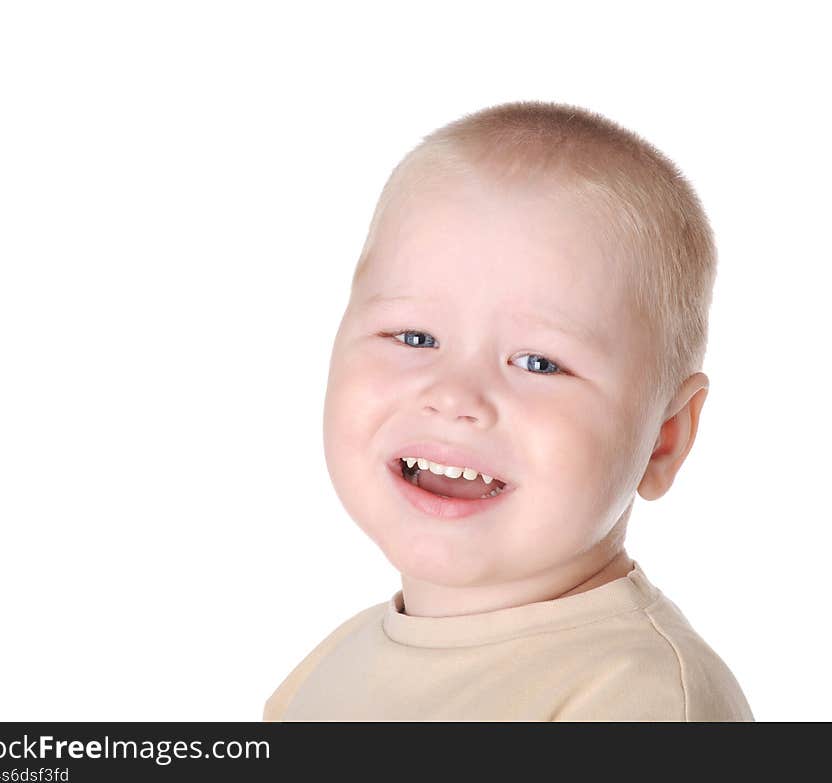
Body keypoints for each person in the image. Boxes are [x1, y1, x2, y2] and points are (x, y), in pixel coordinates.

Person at [263, 100, 754, 721]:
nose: (455, 396)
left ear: (664, 438)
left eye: (539, 363)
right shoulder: (334, 661)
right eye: (414, 338)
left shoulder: (636, 698)